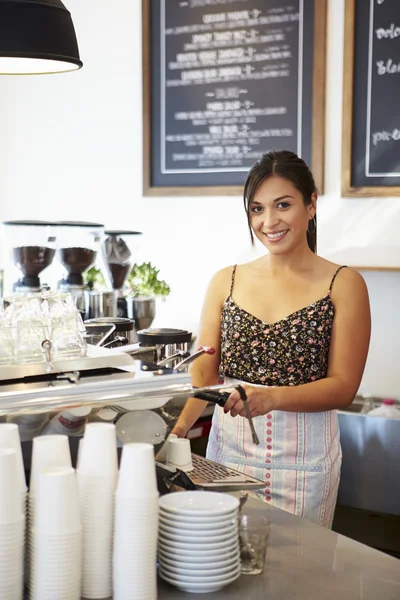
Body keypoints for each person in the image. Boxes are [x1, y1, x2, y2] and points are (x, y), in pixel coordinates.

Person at [172, 150, 371, 528]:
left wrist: (272, 397)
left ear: (311, 204)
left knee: (298, 576)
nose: (269, 221)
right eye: (257, 209)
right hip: (225, 459)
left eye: (283, 205)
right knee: (221, 564)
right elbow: (205, 378)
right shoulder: (225, 281)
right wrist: (178, 432)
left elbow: (343, 388)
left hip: (305, 467)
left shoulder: (343, 284)